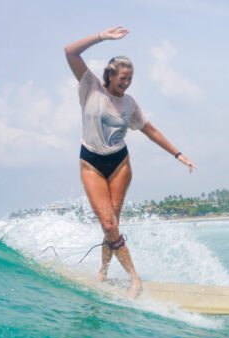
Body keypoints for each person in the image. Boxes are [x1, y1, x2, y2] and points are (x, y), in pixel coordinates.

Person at [65, 26, 195, 298]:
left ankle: (103, 270)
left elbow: (150, 130)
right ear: (111, 75)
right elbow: (70, 51)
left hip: (119, 164)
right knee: (109, 225)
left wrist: (178, 154)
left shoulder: (130, 104)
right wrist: (102, 36)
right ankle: (134, 277)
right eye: (124, 77)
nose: (127, 82)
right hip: (91, 163)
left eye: (131, 78)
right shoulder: (90, 87)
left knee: (112, 225)